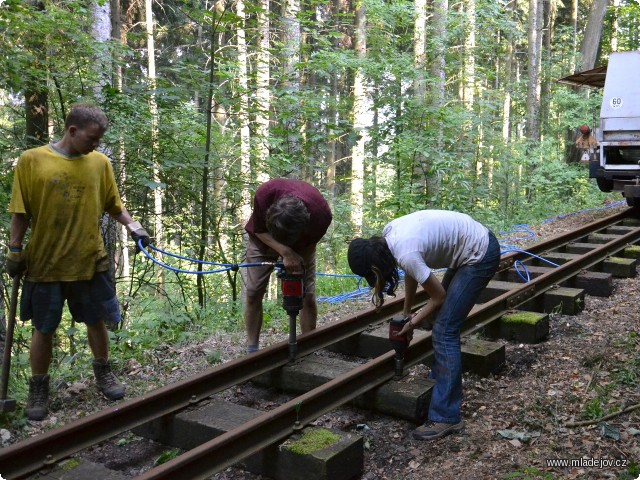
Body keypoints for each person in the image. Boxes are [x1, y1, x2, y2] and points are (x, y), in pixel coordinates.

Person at [5, 103, 150, 421]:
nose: (96, 145)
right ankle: (38, 389)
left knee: (96, 320)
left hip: (89, 259)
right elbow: (20, 211)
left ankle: (104, 374)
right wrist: (14, 249)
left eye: (99, 140)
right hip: (45, 262)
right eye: (92, 138)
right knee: (44, 328)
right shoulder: (32, 160)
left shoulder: (99, 163)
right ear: (72, 131)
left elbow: (114, 204)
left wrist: (135, 227)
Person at [347, 210, 500, 441]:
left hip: (479, 254)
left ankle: (447, 417)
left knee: (444, 330)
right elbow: (413, 272)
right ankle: (442, 384)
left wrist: (414, 323)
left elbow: (438, 296)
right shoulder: (390, 236)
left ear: (375, 267)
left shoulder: (405, 252)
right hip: (469, 246)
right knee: (442, 323)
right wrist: (407, 312)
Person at [243, 178, 332, 353]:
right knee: (253, 292)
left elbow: (309, 246)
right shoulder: (264, 195)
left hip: (303, 245)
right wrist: (285, 252)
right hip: (264, 239)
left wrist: (297, 270)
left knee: (307, 295)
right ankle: (252, 350)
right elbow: (259, 230)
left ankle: (309, 347)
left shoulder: (321, 214)